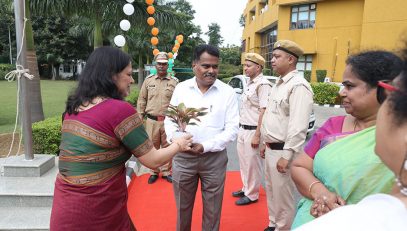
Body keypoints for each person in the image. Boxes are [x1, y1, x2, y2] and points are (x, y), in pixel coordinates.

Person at [50, 47, 193, 231]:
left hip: (65, 209)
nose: (132, 80)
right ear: (111, 75)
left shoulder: (73, 108)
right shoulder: (119, 110)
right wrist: (179, 144)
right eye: (128, 74)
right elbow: (152, 160)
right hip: (97, 212)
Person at [294, 47, 407, 230]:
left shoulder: (397, 139)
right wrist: (320, 192)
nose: (342, 93)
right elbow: (300, 166)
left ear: (383, 90)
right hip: (312, 218)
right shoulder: (333, 125)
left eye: (350, 86)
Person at [164, 44, 239, 231]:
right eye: (206, 66)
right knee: (182, 207)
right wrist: (176, 140)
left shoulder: (227, 92)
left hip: (214, 160)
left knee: (213, 209)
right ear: (194, 66)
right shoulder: (181, 88)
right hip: (183, 157)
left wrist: (205, 146)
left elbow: (232, 129)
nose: (211, 71)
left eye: (215, 66)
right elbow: (170, 120)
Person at [260, 40, 314, 231]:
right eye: (272, 56)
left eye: (277, 57)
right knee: (272, 191)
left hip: (284, 150)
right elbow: (272, 117)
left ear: (290, 59)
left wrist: (287, 155)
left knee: (284, 196)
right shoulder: (279, 84)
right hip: (271, 147)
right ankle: (274, 223)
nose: (272, 60)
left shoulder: (299, 86)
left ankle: (283, 228)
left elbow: (298, 125)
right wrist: (263, 142)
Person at [232, 53, 272, 206]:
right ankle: (246, 188)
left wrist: (257, 135)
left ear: (258, 67)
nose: (245, 68)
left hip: (253, 130)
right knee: (244, 162)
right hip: (243, 128)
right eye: (245, 65)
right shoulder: (249, 83)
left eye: (248, 66)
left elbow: (264, 110)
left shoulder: (263, 85)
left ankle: (252, 194)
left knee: (253, 164)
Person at [137, 52, 178, 184]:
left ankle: (166, 171)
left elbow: (179, 101)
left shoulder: (174, 82)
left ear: (167, 65)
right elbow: (142, 99)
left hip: (168, 121)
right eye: (159, 63)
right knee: (152, 146)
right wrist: (139, 116)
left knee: (167, 147)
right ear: (155, 64)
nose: (161, 66)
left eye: (164, 64)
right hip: (151, 121)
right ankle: (154, 171)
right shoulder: (148, 80)